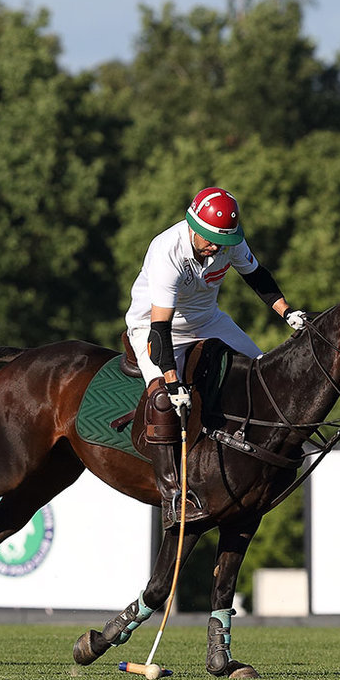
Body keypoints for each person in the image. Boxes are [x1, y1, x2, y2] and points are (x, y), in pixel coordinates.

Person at [125, 187, 307, 505]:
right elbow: (160, 330)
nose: (215, 249)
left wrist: (286, 312)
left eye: (222, 243)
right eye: (209, 240)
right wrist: (172, 381)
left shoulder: (226, 241)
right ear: (193, 226)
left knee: (265, 374)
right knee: (164, 400)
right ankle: (171, 492)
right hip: (154, 327)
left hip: (209, 321)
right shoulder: (168, 250)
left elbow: (257, 276)